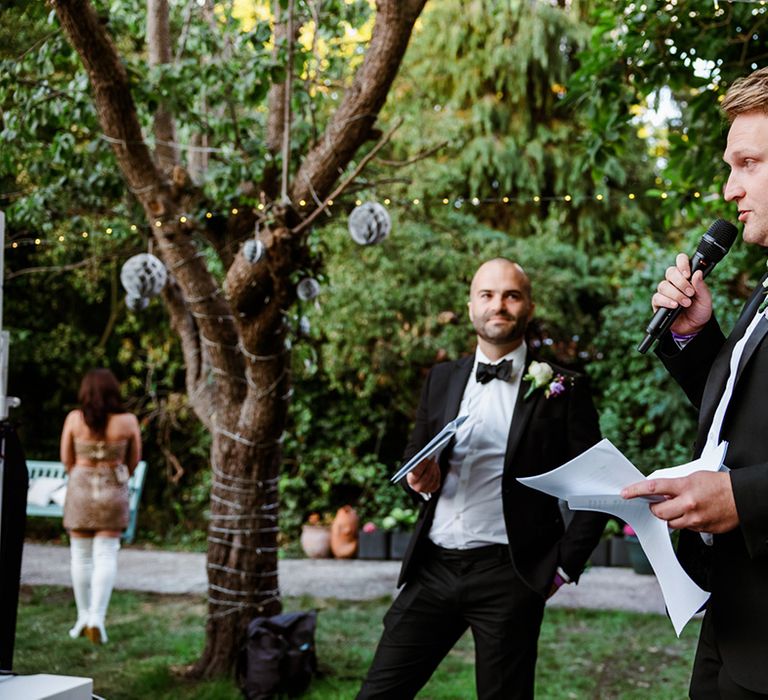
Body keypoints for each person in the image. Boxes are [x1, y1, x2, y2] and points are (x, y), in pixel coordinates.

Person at [357, 258, 606, 700]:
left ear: (528, 306)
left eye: (511, 295)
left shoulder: (563, 388)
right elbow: (415, 459)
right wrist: (420, 480)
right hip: (433, 568)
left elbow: (597, 486)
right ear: (471, 305)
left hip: (508, 576)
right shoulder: (441, 378)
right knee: (378, 693)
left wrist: (563, 567)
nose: (499, 305)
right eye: (487, 295)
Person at [621, 68, 768, 699]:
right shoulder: (764, 287)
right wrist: (693, 336)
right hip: (734, 619)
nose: (730, 187)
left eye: (748, 162)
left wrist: (746, 499)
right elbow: (747, 414)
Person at [60, 368, 142, 644]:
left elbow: (66, 459)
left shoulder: (74, 419)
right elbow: (133, 461)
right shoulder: (128, 421)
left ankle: (82, 616)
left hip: (81, 488)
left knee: (80, 556)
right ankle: (97, 617)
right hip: (112, 490)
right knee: (106, 554)